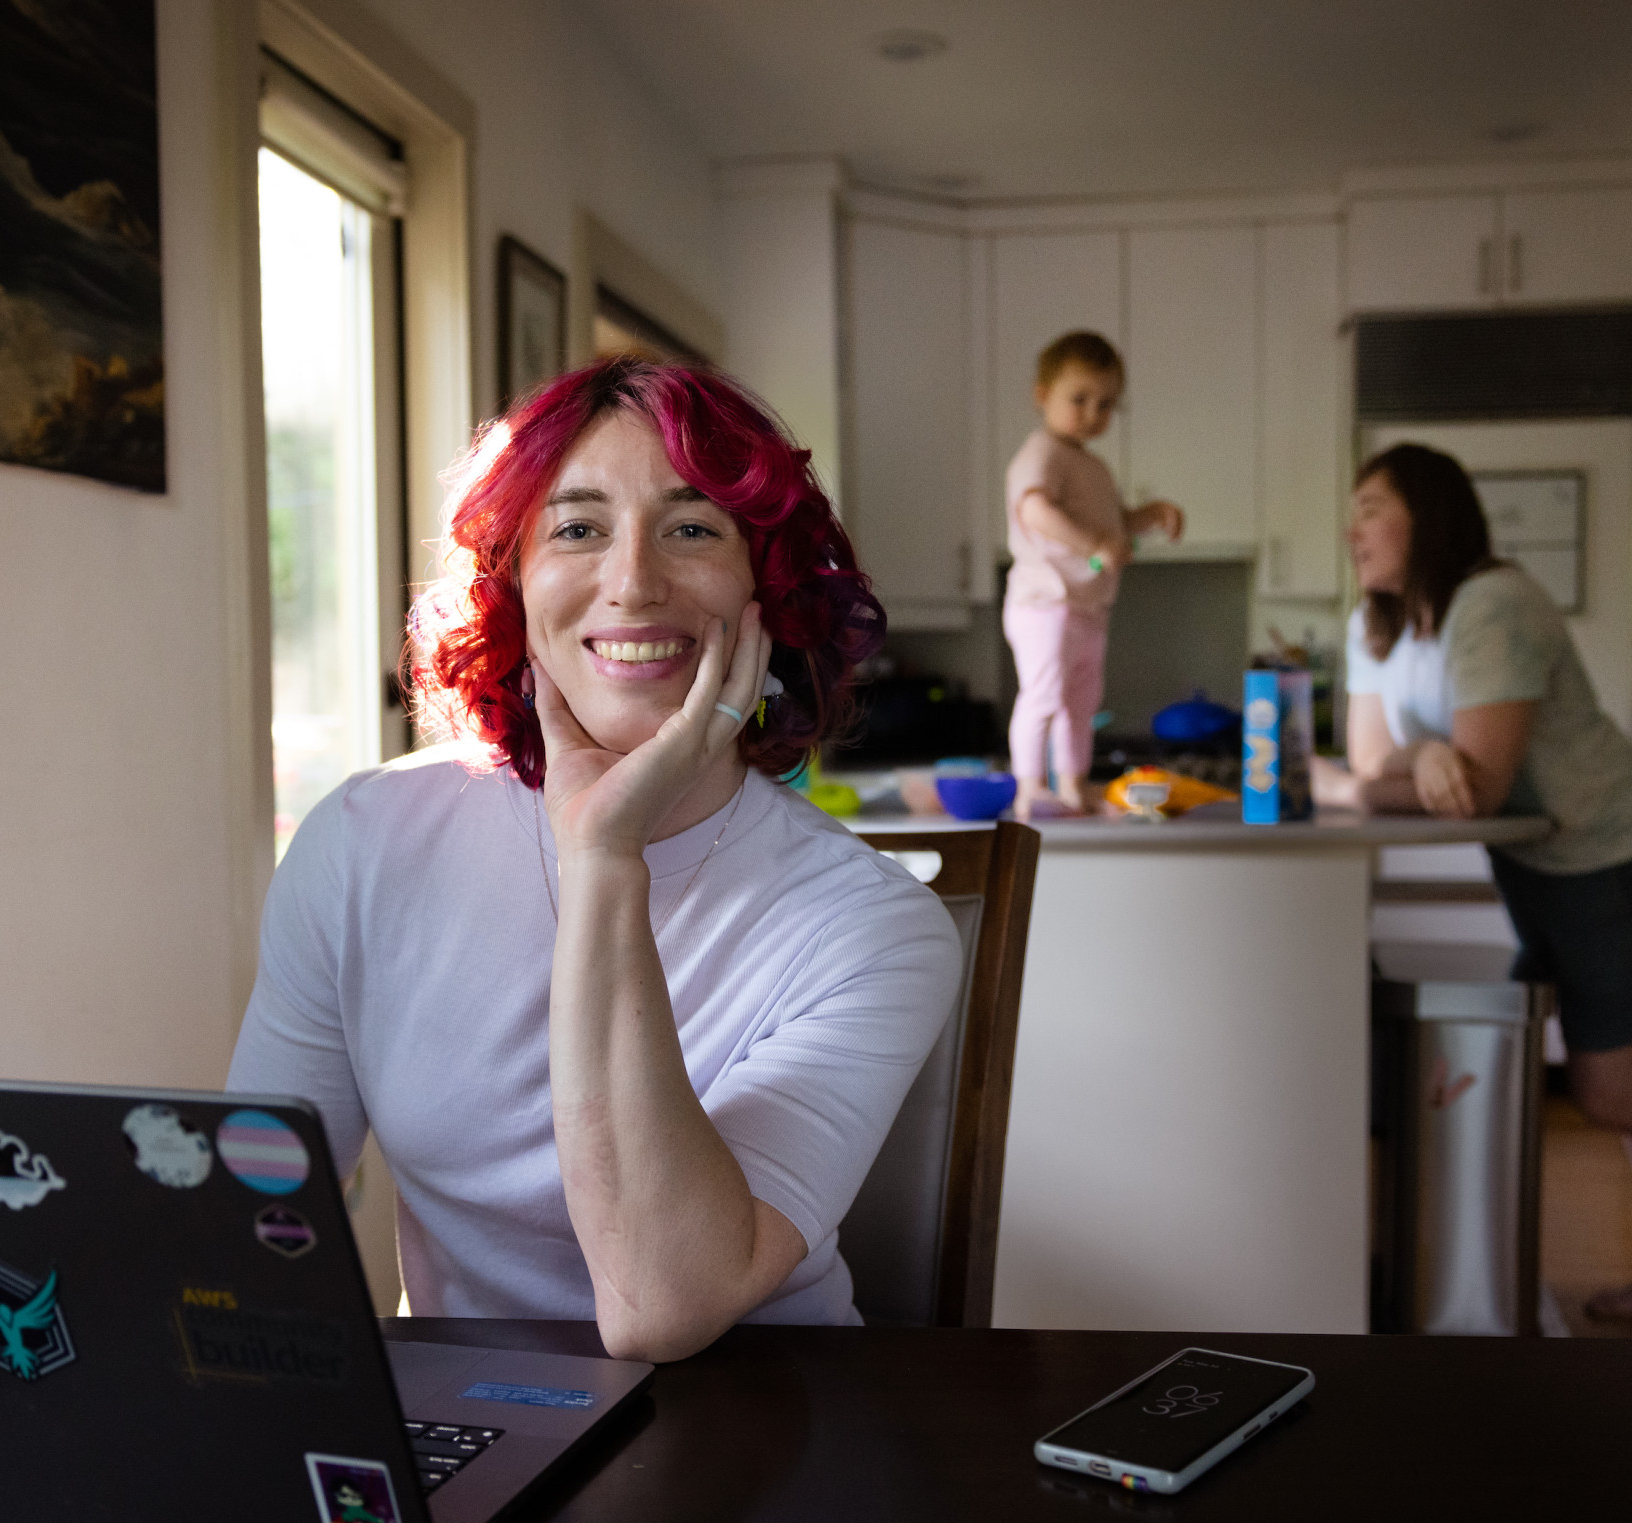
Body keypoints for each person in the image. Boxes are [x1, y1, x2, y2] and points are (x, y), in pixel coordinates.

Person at [228, 357, 962, 1361]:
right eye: (578, 527)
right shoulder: (364, 840)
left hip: (766, 1428)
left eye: (692, 527)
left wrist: (606, 853)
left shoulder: (872, 923)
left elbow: (662, 1305)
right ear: (512, 582)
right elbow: (260, 1195)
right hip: (472, 1426)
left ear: (767, 592)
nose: (634, 581)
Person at [1315, 443, 1632, 1318]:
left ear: (1429, 516)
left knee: (1615, 1085)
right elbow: (1372, 760)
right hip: (1542, 866)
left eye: (1373, 507)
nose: (1353, 528)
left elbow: (1478, 786)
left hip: (1622, 857)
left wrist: (1389, 774)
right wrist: (1420, 755)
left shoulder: (1494, 604)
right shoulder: (1376, 624)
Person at [1002, 331, 1183, 817]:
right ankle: (1029, 787)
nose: (1092, 413)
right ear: (1042, 396)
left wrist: (1151, 515)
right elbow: (1035, 511)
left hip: (1085, 608)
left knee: (1080, 705)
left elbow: (1113, 525)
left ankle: (1073, 785)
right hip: (1046, 603)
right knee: (1042, 696)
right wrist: (1095, 546)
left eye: (1105, 404)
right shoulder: (1041, 453)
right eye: (1078, 399)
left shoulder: (1093, 467)